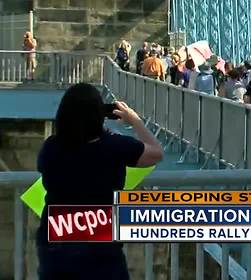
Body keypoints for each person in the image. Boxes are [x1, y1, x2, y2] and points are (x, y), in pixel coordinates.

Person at [37, 83, 163, 279]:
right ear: (98, 116)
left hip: (57, 240)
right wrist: (134, 120)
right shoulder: (114, 146)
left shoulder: (50, 148)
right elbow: (156, 153)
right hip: (100, 244)